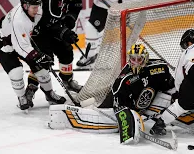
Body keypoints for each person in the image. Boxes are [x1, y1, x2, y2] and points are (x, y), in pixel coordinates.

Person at [48, 43, 178, 144]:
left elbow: (170, 84)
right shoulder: (124, 81)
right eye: (133, 59)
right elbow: (121, 108)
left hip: (145, 103)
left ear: (146, 59)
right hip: (120, 100)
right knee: (101, 109)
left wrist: (176, 99)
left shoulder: (160, 68)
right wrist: (132, 122)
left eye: (139, 59)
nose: (136, 63)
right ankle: (80, 105)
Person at [0, 0, 66, 111]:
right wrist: (39, 56)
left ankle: (50, 94)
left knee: (42, 69)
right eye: (33, 7)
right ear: (25, 6)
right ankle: (22, 97)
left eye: (37, 6)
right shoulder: (19, 21)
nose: (36, 9)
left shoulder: (36, 10)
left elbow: (31, 32)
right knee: (16, 71)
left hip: (21, 40)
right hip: (5, 46)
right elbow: (20, 47)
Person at [25, 0, 84, 108]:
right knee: (43, 60)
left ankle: (67, 81)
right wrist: (65, 33)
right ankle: (31, 89)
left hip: (55, 30)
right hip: (40, 33)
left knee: (67, 52)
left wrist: (70, 19)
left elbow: (77, 4)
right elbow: (48, 23)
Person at [76, 0, 135, 68]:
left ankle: (121, 59)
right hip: (101, 4)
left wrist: (125, 12)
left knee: (110, 35)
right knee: (91, 28)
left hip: (116, 7)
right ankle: (91, 56)